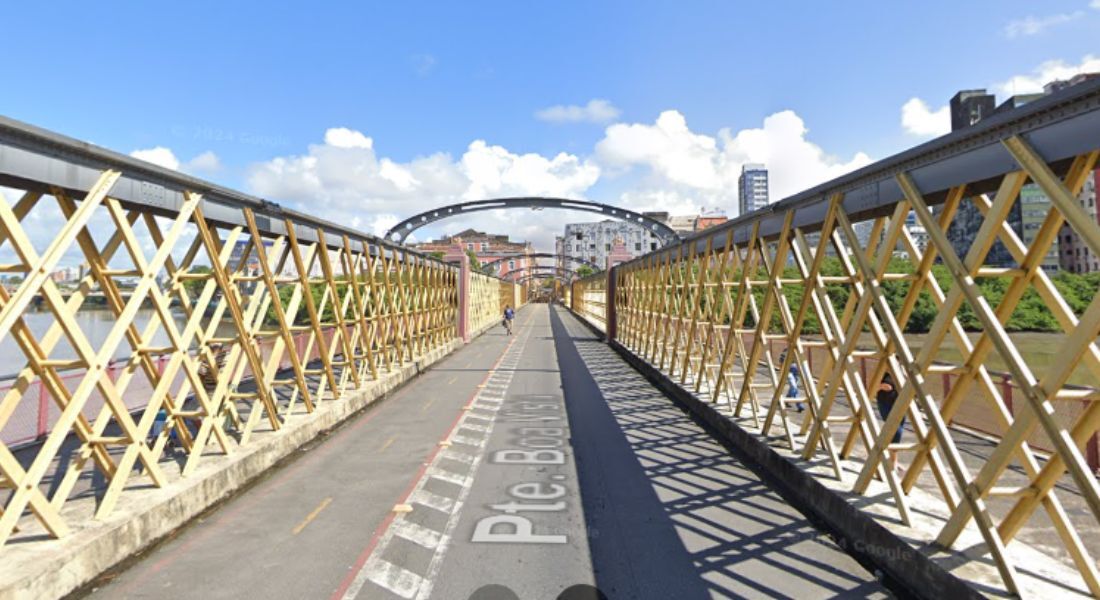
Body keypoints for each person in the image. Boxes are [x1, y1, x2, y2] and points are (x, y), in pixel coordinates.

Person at [876, 372, 905, 472]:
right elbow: (873, 386)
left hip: (901, 403)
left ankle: (892, 459)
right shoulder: (885, 371)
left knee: (896, 431)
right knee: (896, 431)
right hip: (885, 404)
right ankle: (893, 461)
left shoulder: (905, 372)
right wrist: (883, 386)